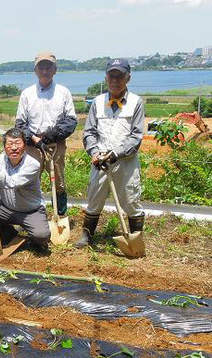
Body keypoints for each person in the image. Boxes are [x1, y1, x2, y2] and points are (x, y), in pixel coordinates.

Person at [78, 58, 145, 248]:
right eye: (111, 76)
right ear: (106, 78)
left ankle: (135, 237)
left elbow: (136, 136)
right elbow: (89, 132)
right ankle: (87, 234)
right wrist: (94, 152)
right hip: (100, 161)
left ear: (128, 78)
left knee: (131, 199)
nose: (115, 80)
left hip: (126, 162)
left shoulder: (136, 102)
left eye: (120, 76)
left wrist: (116, 153)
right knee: (94, 198)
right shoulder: (98, 102)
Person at [15, 51, 77, 216]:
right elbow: (20, 123)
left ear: (55, 70)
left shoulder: (63, 92)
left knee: (58, 181)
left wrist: (51, 135)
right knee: (30, 180)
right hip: (32, 146)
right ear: (35, 70)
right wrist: (35, 139)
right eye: (41, 67)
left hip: (56, 144)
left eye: (49, 67)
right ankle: (30, 212)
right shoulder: (27, 94)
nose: (45, 70)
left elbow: (71, 121)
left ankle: (60, 214)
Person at [0, 128, 50, 251]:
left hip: (31, 211)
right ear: (4, 146)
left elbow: (11, 182)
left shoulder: (33, 164)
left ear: (24, 146)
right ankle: (11, 236)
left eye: (18, 143)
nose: (14, 147)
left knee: (41, 236)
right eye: (9, 144)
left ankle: (35, 240)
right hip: (6, 207)